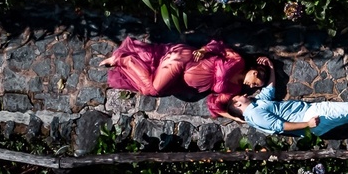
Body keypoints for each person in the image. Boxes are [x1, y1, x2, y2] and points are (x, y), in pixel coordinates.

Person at [100, 37, 269, 117]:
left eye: (255, 87)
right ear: (254, 72)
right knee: (152, 89)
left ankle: (126, 60)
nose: (252, 87)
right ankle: (124, 59)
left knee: (149, 89)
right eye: (256, 83)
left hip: (179, 79)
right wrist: (204, 50)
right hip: (184, 59)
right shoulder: (237, 61)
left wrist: (235, 118)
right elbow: (219, 46)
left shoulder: (235, 89)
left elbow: (215, 105)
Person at [229, 77, 348, 151]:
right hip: (308, 118)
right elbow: (279, 126)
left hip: (309, 112)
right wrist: (307, 124)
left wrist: (268, 66)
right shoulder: (254, 114)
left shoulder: (256, 104)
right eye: (240, 96)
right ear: (237, 104)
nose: (245, 94)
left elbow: (269, 89)